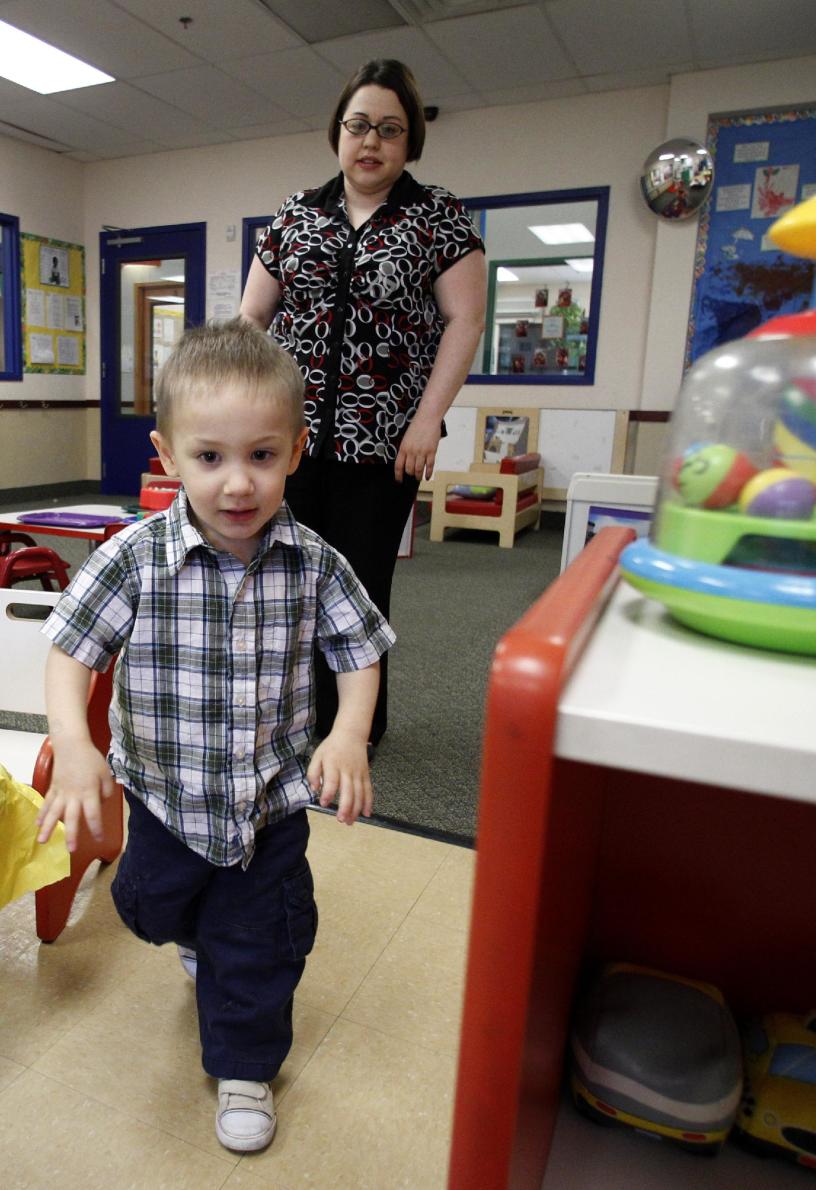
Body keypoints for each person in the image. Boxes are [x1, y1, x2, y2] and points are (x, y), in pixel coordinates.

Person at [35, 319, 395, 1154]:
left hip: (268, 808)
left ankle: (244, 1065)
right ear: (167, 453)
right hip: (162, 801)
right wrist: (78, 748)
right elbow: (69, 650)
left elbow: (360, 650)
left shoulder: (314, 562)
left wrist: (347, 735)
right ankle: (194, 936)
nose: (238, 483)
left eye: (262, 456)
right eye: (210, 457)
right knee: (150, 908)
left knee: (261, 944)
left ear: (297, 451)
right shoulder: (134, 558)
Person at [239, 57, 486, 748]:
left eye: (388, 128)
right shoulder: (295, 217)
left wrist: (428, 419)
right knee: (285, 577)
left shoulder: (437, 217)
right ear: (337, 134)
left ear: (409, 143)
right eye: (357, 126)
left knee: (359, 585)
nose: (370, 141)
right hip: (288, 440)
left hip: (383, 443)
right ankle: (292, 716)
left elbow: (464, 322)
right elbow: (252, 320)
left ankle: (354, 728)